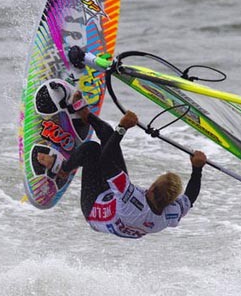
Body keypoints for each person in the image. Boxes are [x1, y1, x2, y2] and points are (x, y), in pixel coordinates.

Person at [38, 92, 207, 239]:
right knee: (109, 136)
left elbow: (105, 160)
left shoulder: (131, 199)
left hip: (94, 209)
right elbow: (189, 198)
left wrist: (123, 128)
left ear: (152, 189)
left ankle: (62, 170)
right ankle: (85, 114)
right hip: (115, 201)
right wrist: (197, 168)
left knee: (92, 149)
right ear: (170, 201)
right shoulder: (170, 213)